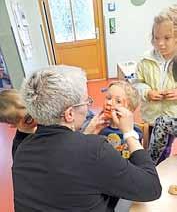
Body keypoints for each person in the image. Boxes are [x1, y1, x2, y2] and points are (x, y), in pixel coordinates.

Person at [12, 65, 161, 212]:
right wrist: (129, 133)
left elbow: (65, 165)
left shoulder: (22, 149)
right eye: (86, 102)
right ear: (69, 114)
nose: (88, 106)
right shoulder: (94, 149)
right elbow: (151, 188)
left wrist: (87, 134)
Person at [134, 4, 177, 161]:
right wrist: (147, 92)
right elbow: (137, 83)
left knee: (165, 150)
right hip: (151, 117)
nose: (160, 43)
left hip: (172, 117)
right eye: (156, 38)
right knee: (149, 146)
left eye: (167, 38)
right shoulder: (146, 60)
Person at [99, 80, 143, 159]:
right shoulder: (97, 128)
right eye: (108, 98)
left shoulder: (134, 133)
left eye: (118, 101)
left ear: (129, 110)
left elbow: (136, 159)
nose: (109, 103)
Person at [0, 89, 37, 159]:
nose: (37, 116)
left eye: (32, 106)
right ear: (13, 125)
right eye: (29, 118)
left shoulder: (46, 118)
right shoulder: (21, 151)